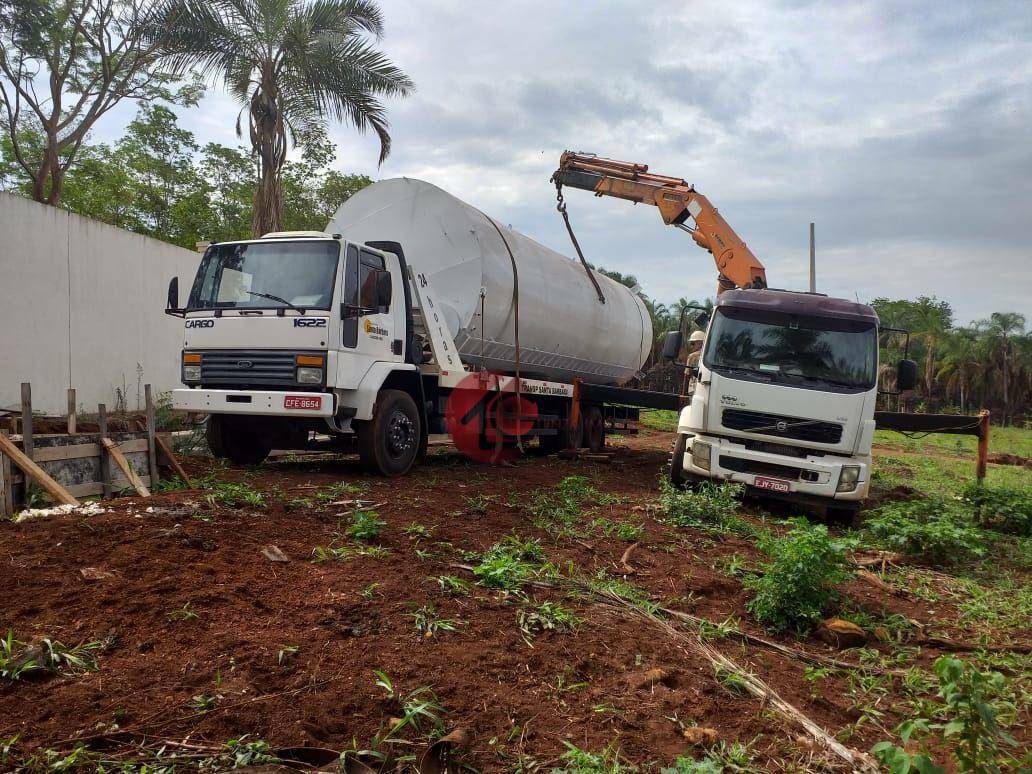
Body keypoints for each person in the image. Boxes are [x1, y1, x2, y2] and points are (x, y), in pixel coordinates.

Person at [684, 329, 705, 395]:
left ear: (700, 343)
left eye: (693, 343)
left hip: (694, 389)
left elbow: (687, 375)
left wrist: (683, 394)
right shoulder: (713, 356)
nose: (691, 346)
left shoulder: (692, 356)